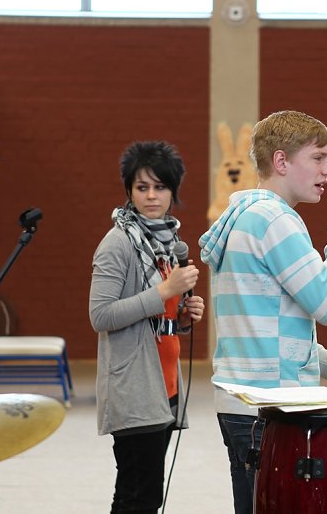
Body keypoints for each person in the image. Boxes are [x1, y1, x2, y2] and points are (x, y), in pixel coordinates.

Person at [198, 110, 327, 514]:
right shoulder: (276, 220)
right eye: (318, 157)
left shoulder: (244, 215)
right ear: (280, 162)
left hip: (243, 401)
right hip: (268, 406)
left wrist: (323, 362)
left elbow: (263, 315)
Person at [89, 141, 205, 514]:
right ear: (129, 191)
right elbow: (101, 316)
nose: (152, 196)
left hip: (164, 383)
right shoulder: (117, 244)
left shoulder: (167, 242)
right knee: (140, 498)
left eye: (160, 187)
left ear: (174, 191)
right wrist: (164, 292)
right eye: (142, 187)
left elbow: (157, 316)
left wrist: (183, 317)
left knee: (137, 495)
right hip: (134, 387)